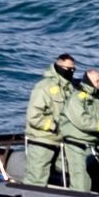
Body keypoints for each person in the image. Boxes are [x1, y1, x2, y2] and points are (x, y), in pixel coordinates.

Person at [23, 53, 76, 186]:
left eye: (73, 70)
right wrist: (54, 126)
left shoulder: (69, 89)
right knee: (36, 179)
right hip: (42, 140)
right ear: (59, 67)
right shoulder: (43, 87)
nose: (70, 72)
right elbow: (34, 117)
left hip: (61, 141)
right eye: (68, 69)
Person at [56, 67, 99, 190]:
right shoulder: (76, 98)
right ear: (89, 81)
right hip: (76, 145)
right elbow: (83, 122)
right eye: (98, 81)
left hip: (92, 146)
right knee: (81, 181)